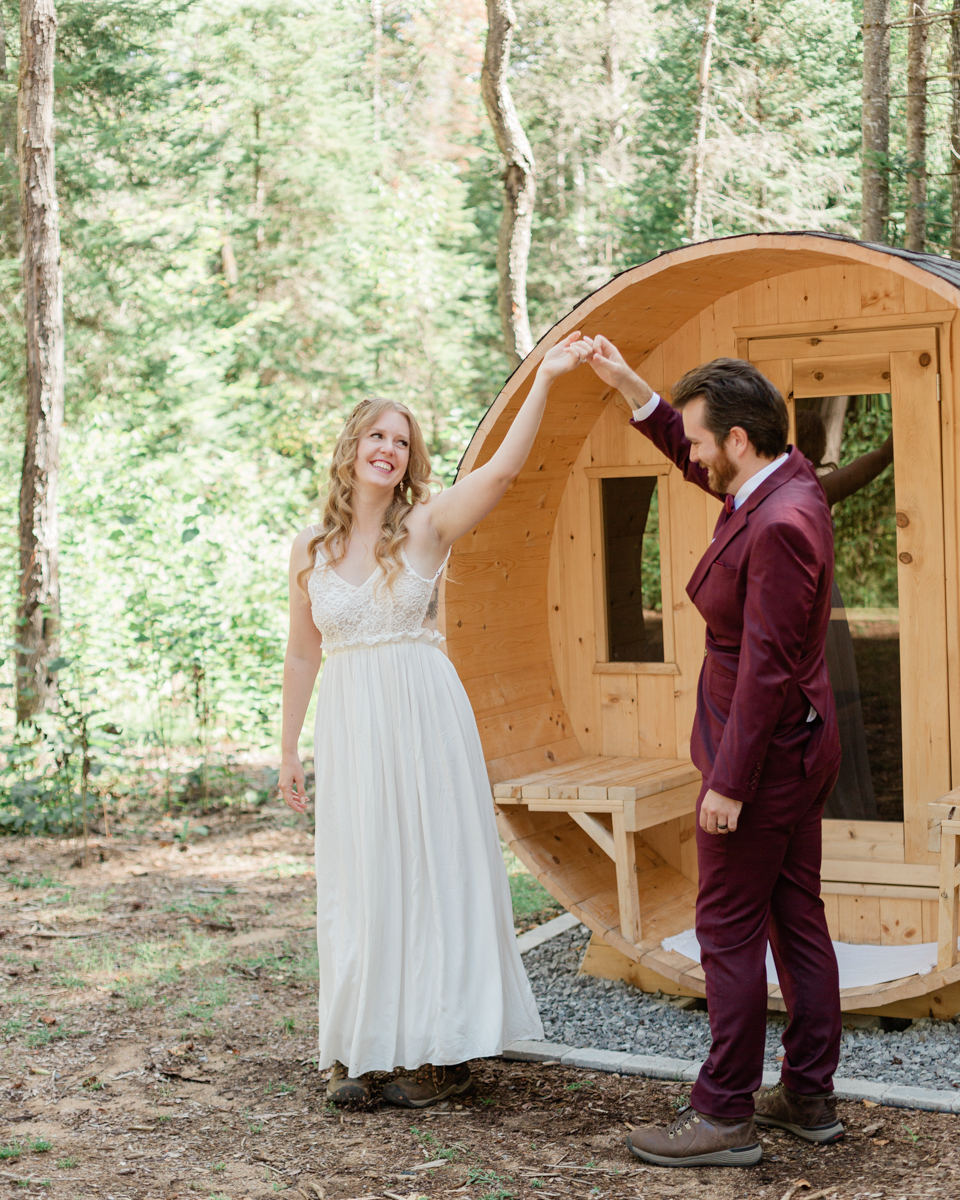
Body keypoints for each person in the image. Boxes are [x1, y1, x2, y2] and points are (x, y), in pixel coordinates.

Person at [278, 331, 592, 1108]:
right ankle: (363, 1048)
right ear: (351, 447)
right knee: (364, 877)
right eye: (377, 435)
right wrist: (287, 750)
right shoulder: (308, 549)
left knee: (429, 871)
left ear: (410, 461)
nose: (387, 448)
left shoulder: (426, 526)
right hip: (353, 724)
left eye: (402, 441)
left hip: (424, 716)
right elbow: (301, 658)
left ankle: (439, 1051)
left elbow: (505, 468)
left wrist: (545, 376)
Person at [582, 340, 844, 1168]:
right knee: (796, 917)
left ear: (738, 440)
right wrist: (635, 392)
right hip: (798, 748)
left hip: (763, 758)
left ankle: (724, 1112)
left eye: (698, 440)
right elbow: (707, 470)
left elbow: (766, 666)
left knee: (727, 930)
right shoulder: (779, 478)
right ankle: (807, 1094)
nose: (690, 455)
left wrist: (728, 784)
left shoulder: (781, 522)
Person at [795, 409, 894, 821]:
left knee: (824, 703)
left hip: (815, 604)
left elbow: (872, 464)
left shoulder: (810, 488)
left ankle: (828, 804)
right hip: (812, 602)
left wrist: (893, 447)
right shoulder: (804, 488)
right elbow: (876, 460)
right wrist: (890, 447)